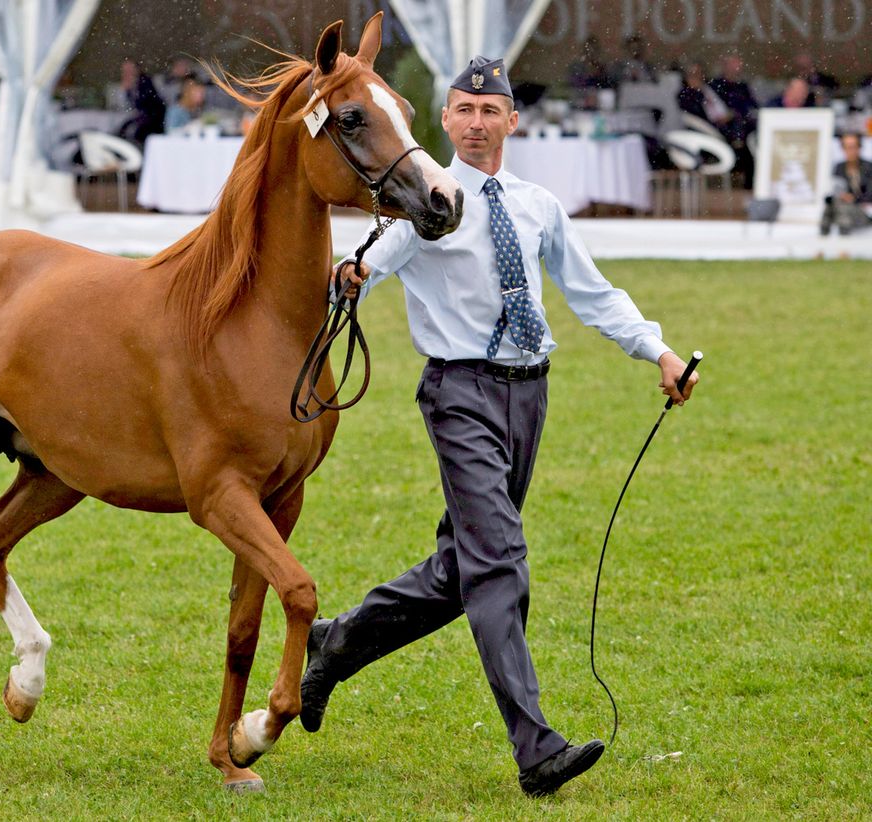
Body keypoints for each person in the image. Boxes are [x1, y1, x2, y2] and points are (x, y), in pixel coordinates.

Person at [299, 55, 699, 799]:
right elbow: (364, 267)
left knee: (462, 573)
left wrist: (660, 350)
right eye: (463, 111)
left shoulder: (538, 205)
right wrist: (345, 275)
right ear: (444, 121)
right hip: (459, 394)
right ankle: (536, 747)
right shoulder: (429, 203)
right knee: (500, 561)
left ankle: (339, 640)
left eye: (491, 112)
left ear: (512, 120)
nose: (477, 124)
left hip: (529, 396)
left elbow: (592, 293)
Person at [709, 55, 760, 186]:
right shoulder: (715, 85)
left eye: (738, 66)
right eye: (733, 65)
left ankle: (750, 183)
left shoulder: (742, 86)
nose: (736, 69)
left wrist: (737, 113)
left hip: (744, 128)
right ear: (725, 66)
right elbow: (712, 108)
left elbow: (752, 106)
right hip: (722, 129)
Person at [821, 133, 872, 235]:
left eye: (853, 147)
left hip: (863, 211)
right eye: (846, 147)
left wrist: (854, 198)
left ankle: (843, 247)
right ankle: (822, 244)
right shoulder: (839, 168)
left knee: (842, 208)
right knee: (831, 206)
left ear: (859, 147)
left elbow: (870, 194)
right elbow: (833, 189)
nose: (850, 151)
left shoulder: (868, 167)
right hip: (841, 208)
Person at [117, 58, 165, 145]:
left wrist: (128, 91)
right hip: (143, 118)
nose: (127, 73)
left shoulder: (145, 82)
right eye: (125, 70)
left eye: (130, 70)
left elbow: (144, 105)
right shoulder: (130, 84)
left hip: (152, 120)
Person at [677, 62, 731, 129]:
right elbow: (695, 112)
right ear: (687, 77)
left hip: (728, 122)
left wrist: (730, 114)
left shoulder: (713, 86)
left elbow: (729, 101)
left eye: (700, 73)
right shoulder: (685, 94)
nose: (697, 76)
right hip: (706, 128)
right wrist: (695, 90)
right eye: (694, 74)